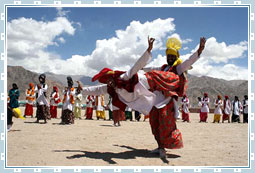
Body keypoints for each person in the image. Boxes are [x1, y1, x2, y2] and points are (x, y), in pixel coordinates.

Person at [79, 36, 206, 158]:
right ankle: (160, 146)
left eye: (173, 56)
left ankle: (164, 148)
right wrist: (82, 90)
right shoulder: (162, 68)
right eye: (169, 56)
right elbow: (99, 89)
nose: (171, 58)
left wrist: (199, 51)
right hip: (155, 100)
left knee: (165, 124)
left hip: (166, 100)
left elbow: (188, 62)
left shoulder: (176, 69)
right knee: (154, 123)